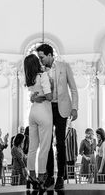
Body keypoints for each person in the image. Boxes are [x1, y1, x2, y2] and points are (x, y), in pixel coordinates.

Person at [34, 43, 78, 189]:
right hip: (46, 108)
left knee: (60, 143)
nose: (40, 60)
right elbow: (35, 90)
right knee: (46, 144)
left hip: (62, 109)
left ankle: (60, 177)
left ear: (50, 55)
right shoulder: (39, 70)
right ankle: (49, 176)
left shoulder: (64, 66)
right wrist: (33, 97)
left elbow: (73, 89)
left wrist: (75, 108)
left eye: (42, 57)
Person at [24, 54, 53, 189]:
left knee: (32, 147)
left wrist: (34, 97)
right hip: (44, 112)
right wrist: (52, 87)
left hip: (33, 112)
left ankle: (31, 175)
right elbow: (48, 96)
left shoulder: (29, 79)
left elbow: (33, 96)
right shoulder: (43, 76)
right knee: (45, 147)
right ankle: (41, 178)